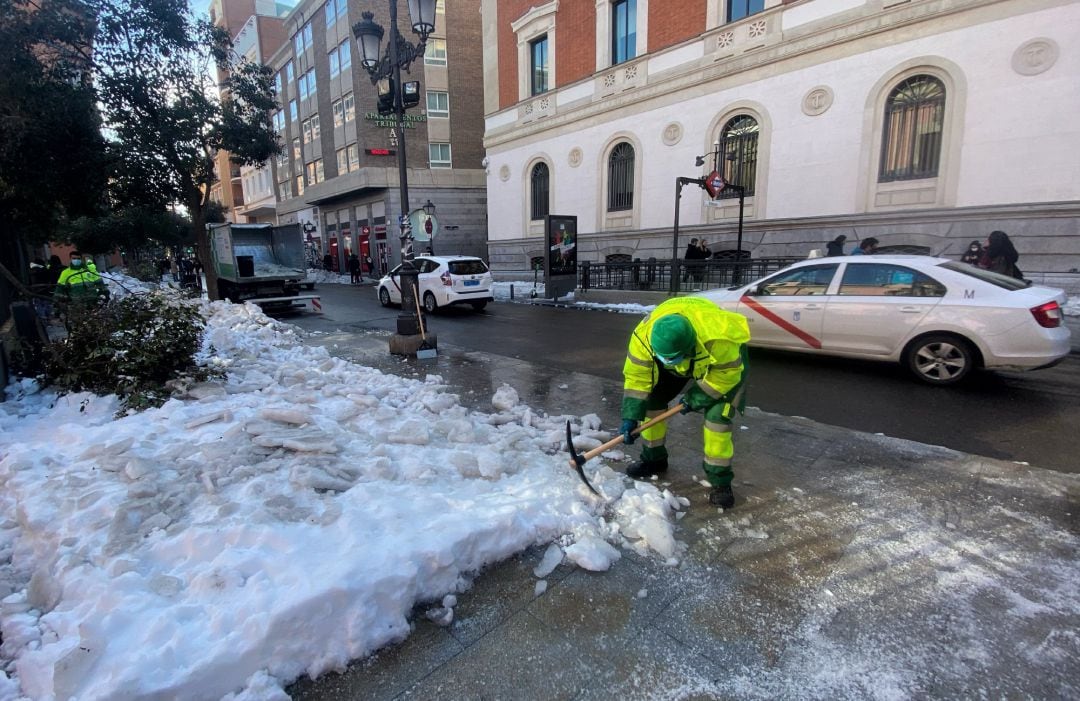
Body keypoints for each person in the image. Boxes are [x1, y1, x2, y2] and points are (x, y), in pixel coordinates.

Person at [619, 297, 751, 508]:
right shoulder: (643, 338)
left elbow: (727, 375)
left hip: (721, 368)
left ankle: (720, 481)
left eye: (674, 357)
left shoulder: (719, 338)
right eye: (666, 357)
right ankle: (654, 460)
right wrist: (630, 415)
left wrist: (696, 397)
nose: (670, 362)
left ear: (690, 347)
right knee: (651, 401)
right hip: (677, 353)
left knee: (718, 420)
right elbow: (637, 378)